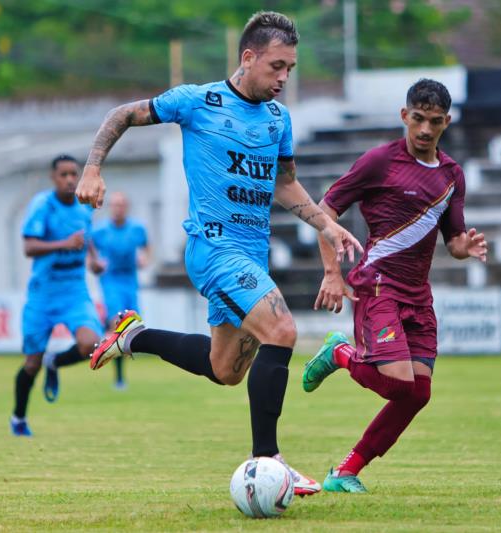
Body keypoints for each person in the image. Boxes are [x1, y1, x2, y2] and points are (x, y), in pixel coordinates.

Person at [75, 11, 361, 496]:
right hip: (212, 248)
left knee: (225, 369)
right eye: (276, 66)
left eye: (290, 68)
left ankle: (135, 337)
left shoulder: (277, 119)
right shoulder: (197, 101)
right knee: (283, 331)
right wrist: (92, 169)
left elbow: (285, 185)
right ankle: (269, 462)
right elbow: (121, 114)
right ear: (248, 57)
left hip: (251, 255)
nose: (283, 78)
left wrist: (326, 224)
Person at [302, 79, 488, 493]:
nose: (424, 130)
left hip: (418, 295)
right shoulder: (379, 163)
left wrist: (465, 247)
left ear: (446, 122)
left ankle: (346, 472)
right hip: (378, 286)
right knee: (399, 383)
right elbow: (324, 211)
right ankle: (340, 353)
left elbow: (453, 240)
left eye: (434, 122)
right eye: (418, 119)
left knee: (417, 394)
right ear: (404, 116)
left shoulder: (452, 175)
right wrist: (332, 273)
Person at [11, 155, 104, 437]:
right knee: (31, 363)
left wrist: (94, 259)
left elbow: (84, 238)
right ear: (53, 178)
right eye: (63, 174)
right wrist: (65, 243)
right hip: (44, 293)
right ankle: (18, 417)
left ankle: (56, 362)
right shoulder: (42, 205)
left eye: (73, 174)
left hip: (74, 291)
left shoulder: (83, 206)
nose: (69, 179)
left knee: (92, 344)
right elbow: (29, 247)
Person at [90, 192, 150, 390]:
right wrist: (95, 263)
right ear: (110, 208)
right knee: (118, 322)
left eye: (121, 205)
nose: (118, 208)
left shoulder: (137, 229)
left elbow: (146, 247)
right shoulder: (100, 231)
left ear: (127, 208)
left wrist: (144, 259)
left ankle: (103, 333)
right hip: (111, 281)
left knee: (131, 326)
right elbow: (89, 250)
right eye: (115, 205)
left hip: (130, 281)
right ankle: (119, 378)